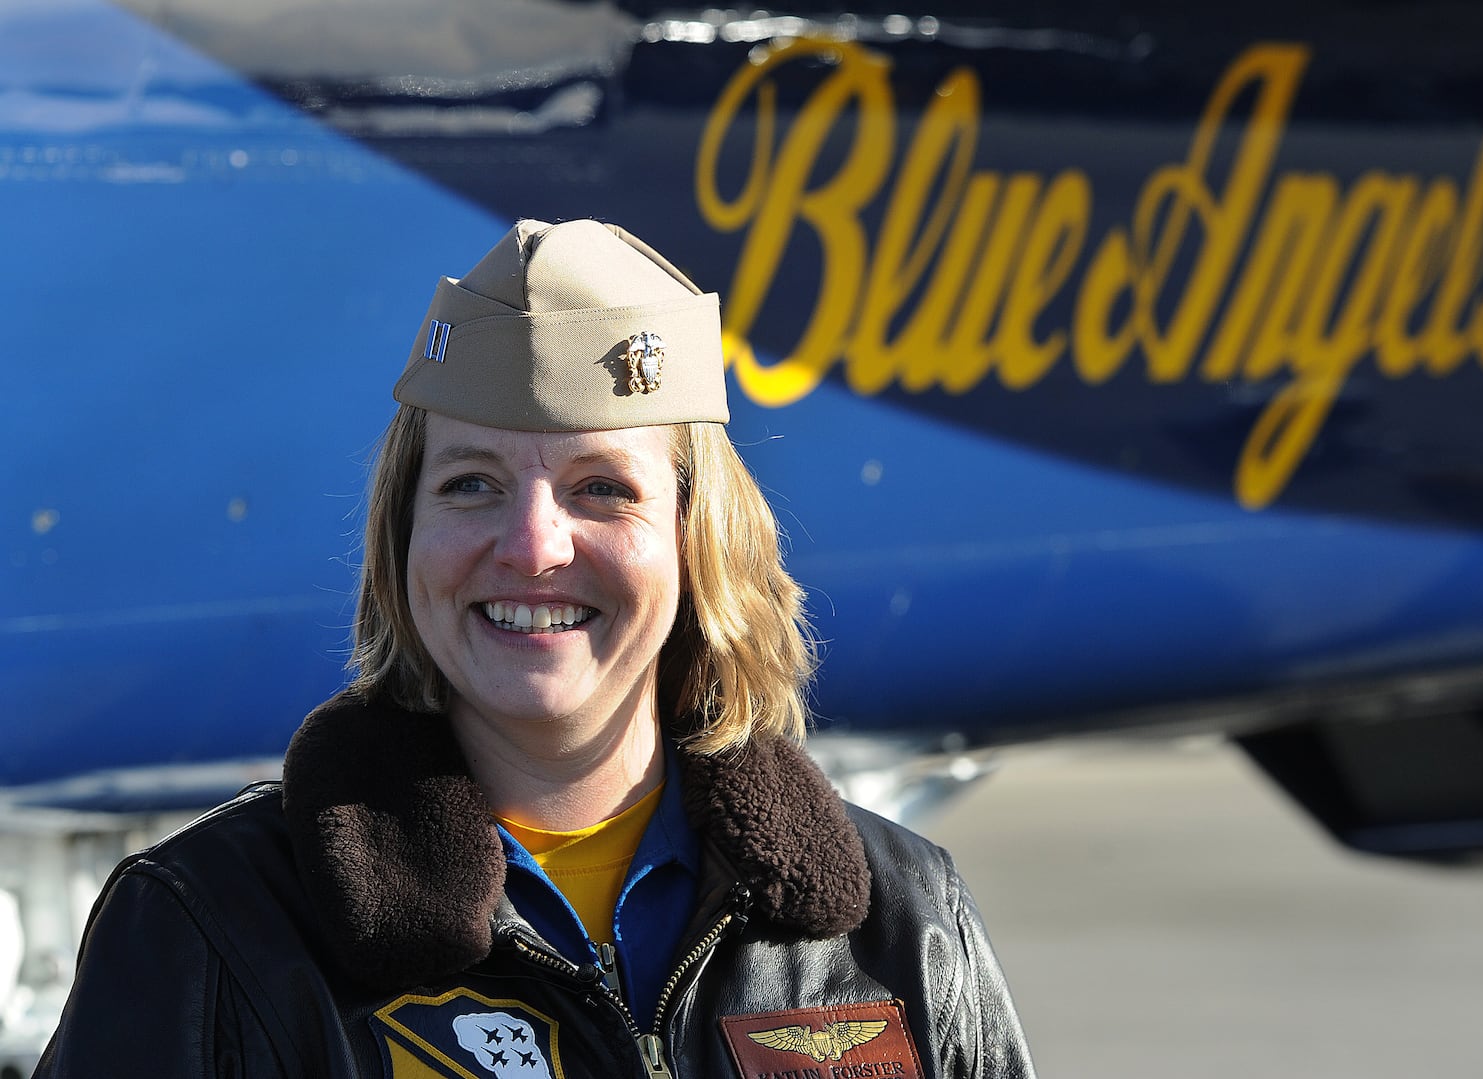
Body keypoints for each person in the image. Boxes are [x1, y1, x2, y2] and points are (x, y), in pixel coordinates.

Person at [35, 219, 1035, 1078]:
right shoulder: (215, 930)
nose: (531, 546)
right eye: (471, 483)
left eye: (603, 486)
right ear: (403, 537)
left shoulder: (902, 921)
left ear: (699, 540)